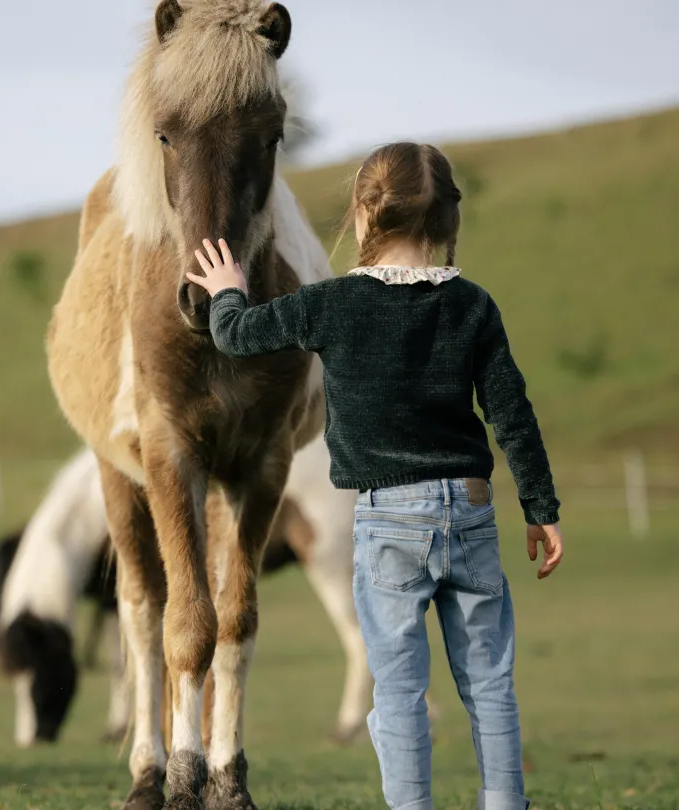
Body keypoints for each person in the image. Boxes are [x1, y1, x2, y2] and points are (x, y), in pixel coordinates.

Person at [185, 141, 563, 810]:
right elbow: (512, 413)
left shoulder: (332, 303)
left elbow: (238, 335)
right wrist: (540, 506)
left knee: (398, 689)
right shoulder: (473, 306)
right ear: (447, 222)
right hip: (471, 510)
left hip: (389, 518)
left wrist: (226, 292)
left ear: (363, 214)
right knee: (488, 684)